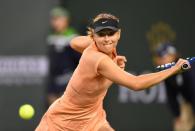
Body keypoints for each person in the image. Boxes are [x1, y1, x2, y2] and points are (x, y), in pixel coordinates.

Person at [36, 13, 190, 131]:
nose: (107, 39)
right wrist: (173, 69)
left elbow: (73, 42)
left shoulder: (101, 46)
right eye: (101, 34)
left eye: (111, 33)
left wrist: (96, 42)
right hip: (61, 123)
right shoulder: (97, 59)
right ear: (94, 35)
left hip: (93, 119)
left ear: (119, 34)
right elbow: (136, 84)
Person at [153, 43, 195, 131]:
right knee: (180, 128)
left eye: (163, 56)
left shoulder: (187, 67)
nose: (161, 60)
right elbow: (171, 96)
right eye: (159, 57)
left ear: (173, 55)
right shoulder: (168, 72)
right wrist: (177, 115)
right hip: (188, 102)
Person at [46, 6, 81, 106]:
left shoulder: (73, 37)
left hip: (69, 80)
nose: (55, 22)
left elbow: (80, 62)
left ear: (66, 20)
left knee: (66, 110)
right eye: (53, 19)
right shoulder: (51, 38)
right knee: (53, 111)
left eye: (58, 19)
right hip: (54, 81)